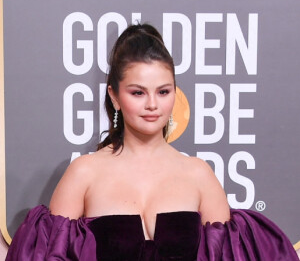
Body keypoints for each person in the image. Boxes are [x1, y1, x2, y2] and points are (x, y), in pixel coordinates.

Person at [6, 24, 298, 260]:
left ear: (175, 94)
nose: (152, 105)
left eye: (163, 91)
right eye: (137, 92)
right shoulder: (84, 173)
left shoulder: (198, 174)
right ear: (114, 97)